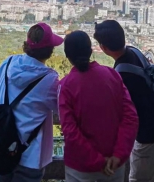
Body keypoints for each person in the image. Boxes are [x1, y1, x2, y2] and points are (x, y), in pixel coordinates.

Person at [94, 20, 154, 182]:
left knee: (139, 178)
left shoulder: (121, 74)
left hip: (149, 134)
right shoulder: (134, 52)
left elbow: (121, 113)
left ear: (103, 48)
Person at [0, 22, 62, 182]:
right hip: (30, 154)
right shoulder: (49, 79)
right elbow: (61, 107)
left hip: (0, 145)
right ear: (49, 51)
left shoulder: (8, 64)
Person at [59, 30, 138, 182]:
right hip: (114, 166)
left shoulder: (66, 86)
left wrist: (98, 161)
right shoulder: (112, 75)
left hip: (80, 168)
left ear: (68, 56)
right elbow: (131, 117)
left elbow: (70, 132)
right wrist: (118, 155)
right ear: (90, 51)